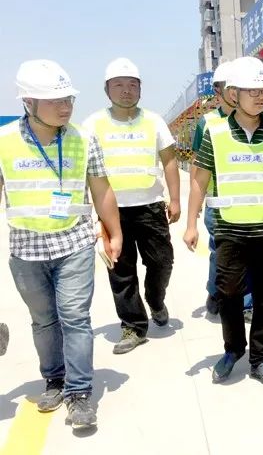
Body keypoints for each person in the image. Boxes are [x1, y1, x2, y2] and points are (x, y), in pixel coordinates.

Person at [2, 60, 122, 429]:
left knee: (76, 318)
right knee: (43, 321)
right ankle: (54, 379)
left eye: (68, 99)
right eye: (55, 100)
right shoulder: (4, 142)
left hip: (74, 243)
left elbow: (101, 189)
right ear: (29, 103)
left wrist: (114, 232)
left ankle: (80, 393)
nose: (65, 106)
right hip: (26, 249)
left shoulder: (83, 139)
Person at [184, 57, 263, 385]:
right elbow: (199, 180)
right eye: (253, 91)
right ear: (234, 94)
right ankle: (233, 350)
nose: (260, 97)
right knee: (228, 294)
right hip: (228, 228)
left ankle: (260, 359)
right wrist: (191, 223)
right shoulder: (215, 132)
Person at [82, 58, 180, 354]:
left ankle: (155, 300)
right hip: (111, 211)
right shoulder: (92, 125)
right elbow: (83, 170)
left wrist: (175, 199)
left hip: (150, 207)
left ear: (140, 88)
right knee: (121, 271)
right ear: (107, 89)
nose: (126, 90)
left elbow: (170, 161)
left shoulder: (154, 121)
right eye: (119, 85)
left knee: (162, 262)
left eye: (132, 85)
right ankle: (133, 326)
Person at [191, 60, 253, 320]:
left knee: (249, 253)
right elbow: (197, 166)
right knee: (221, 252)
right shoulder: (206, 123)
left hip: (249, 200)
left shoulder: (253, 119)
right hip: (217, 201)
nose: (235, 92)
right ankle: (215, 290)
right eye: (229, 87)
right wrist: (194, 205)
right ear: (217, 90)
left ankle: (246, 302)